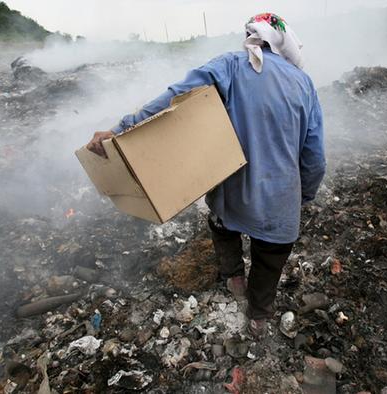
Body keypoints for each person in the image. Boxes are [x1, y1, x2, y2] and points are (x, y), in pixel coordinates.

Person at [86, 12, 325, 337]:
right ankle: (258, 317)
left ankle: (234, 277)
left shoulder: (229, 65)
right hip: (280, 205)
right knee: (270, 260)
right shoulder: (304, 83)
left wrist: (120, 130)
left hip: (233, 197)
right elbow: (314, 156)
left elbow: (173, 97)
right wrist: (305, 194)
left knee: (220, 223)